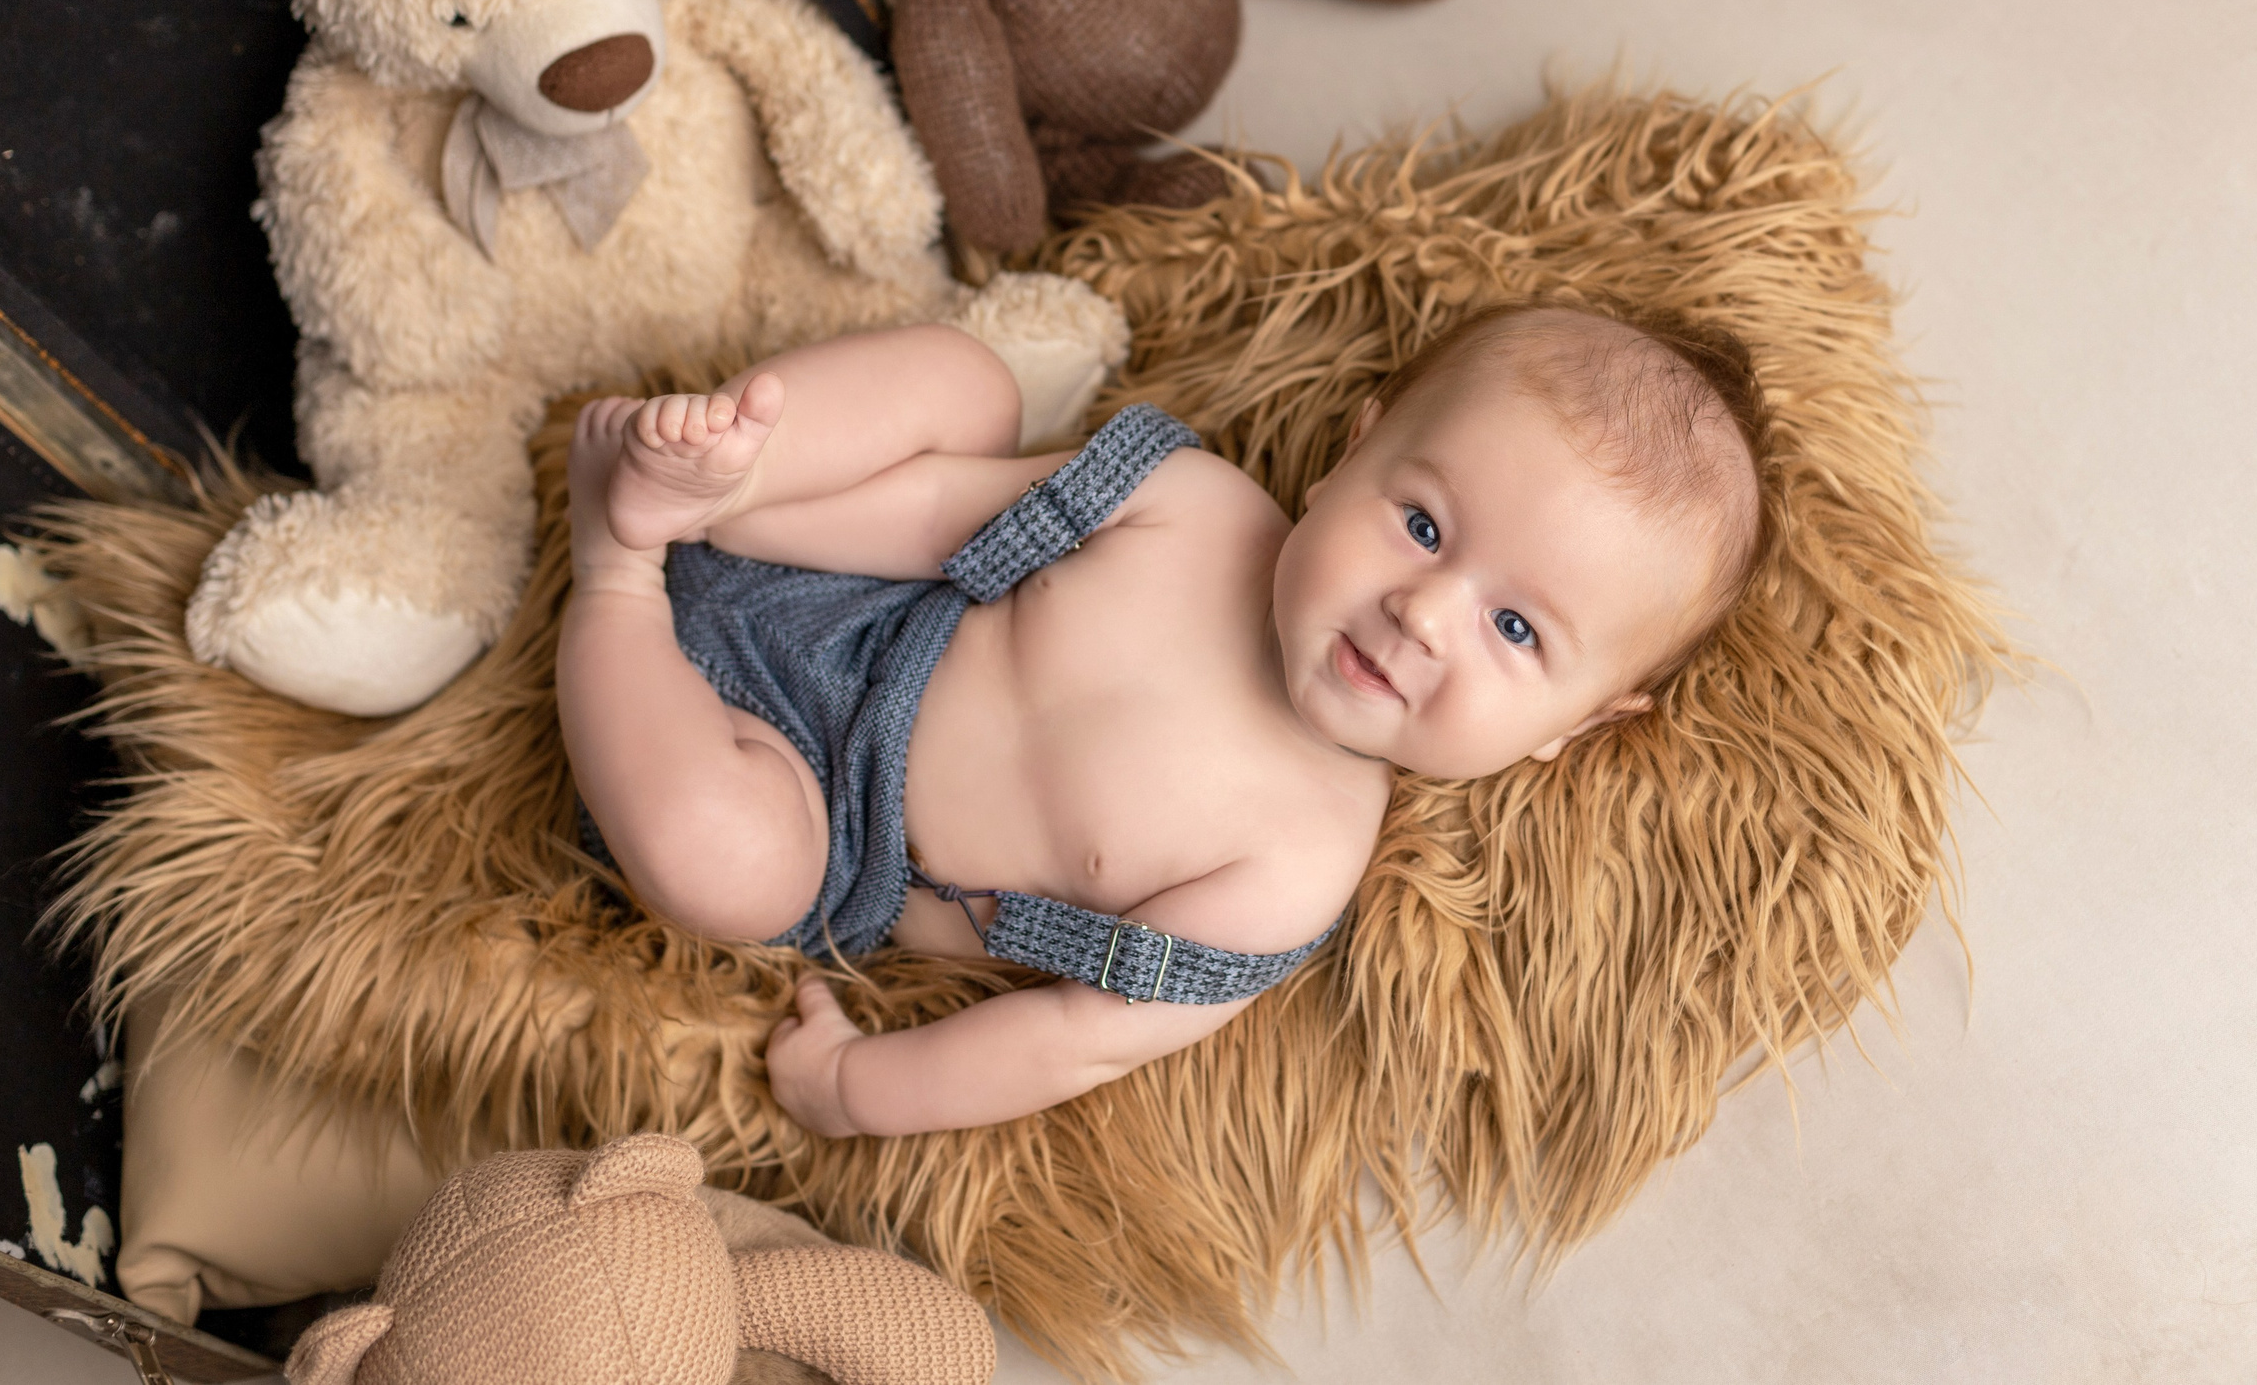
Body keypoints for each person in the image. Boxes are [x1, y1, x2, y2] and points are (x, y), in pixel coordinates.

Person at [558, 303, 1765, 1137]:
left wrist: (857, 1088)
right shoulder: (1187, 504)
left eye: (1516, 632)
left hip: (811, 807)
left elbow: (1075, 1036)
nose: (1425, 613)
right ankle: (703, 479)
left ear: (1576, 723)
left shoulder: (1294, 862)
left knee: (734, 868)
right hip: (870, 584)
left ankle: (610, 566)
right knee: (961, 382)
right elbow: (936, 512)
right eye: (1424, 527)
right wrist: (744, 520)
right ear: (1353, 453)